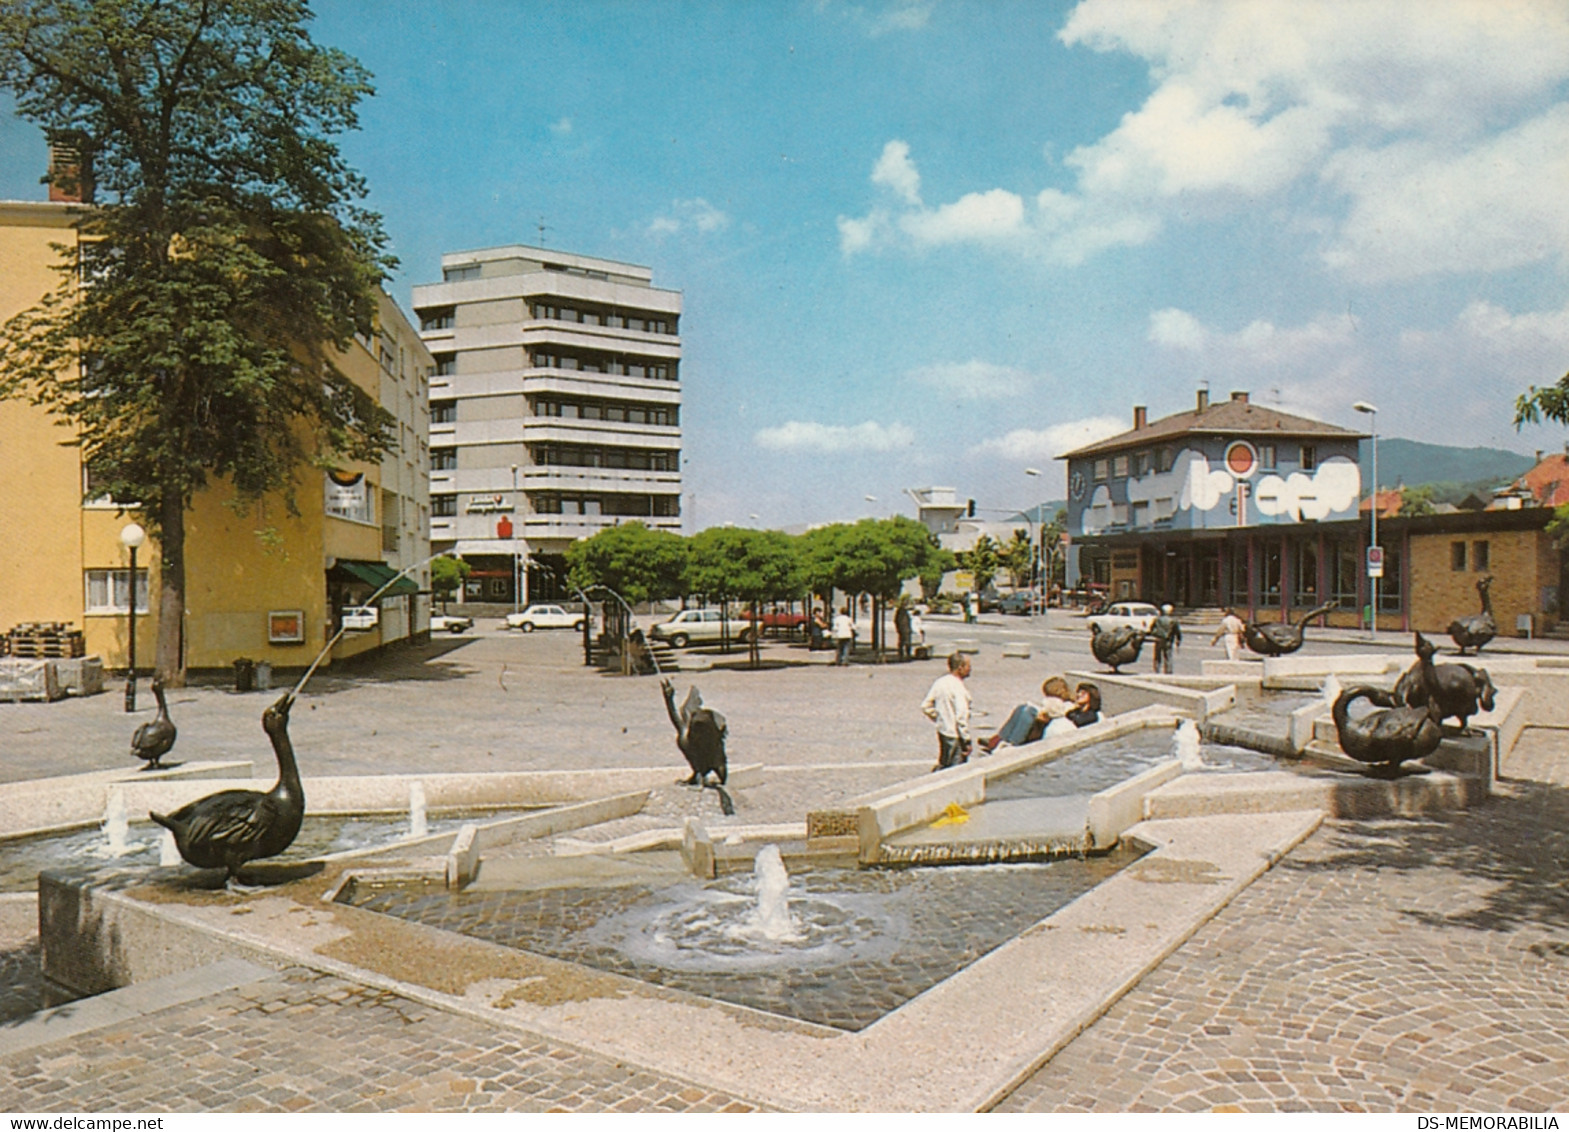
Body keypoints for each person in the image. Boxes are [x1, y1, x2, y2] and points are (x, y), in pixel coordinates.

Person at [979, 675, 1075, 752]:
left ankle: (1012, 743)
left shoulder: (1068, 704)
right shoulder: (1056, 702)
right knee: (1022, 708)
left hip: (1044, 726)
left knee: (1027, 713)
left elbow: (1058, 716)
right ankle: (999, 739)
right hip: (1042, 724)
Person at [921, 652, 973, 770]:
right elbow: (961, 718)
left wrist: (939, 717)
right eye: (968, 666)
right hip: (955, 735)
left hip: (943, 731)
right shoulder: (959, 688)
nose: (970, 669)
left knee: (944, 762)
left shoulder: (940, 682)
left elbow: (925, 705)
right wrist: (966, 741)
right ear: (960, 668)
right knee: (956, 770)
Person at [1149, 604, 1182, 673]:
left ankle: (1157, 669)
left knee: (1157, 656)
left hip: (1158, 639)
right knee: (1168, 656)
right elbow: (1177, 631)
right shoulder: (1173, 621)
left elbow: (1151, 628)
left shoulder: (1157, 619)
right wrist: (1178, 640)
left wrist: (1155, 633)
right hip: (1168, 640)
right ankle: (1168, 671)